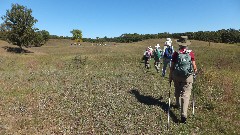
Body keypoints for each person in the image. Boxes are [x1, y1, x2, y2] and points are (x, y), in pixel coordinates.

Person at [169, 36, 197, 124]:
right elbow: (194, 66)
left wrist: (170, 76)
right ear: (187, 44)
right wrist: (195, 72)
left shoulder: (176, 53)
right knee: (186, 94)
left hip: (177, 76)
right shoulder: (190, 53)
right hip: (187, 77)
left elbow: (172, 67)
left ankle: (178, 104)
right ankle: (184, 114)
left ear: (179, 44)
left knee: (177, 89)